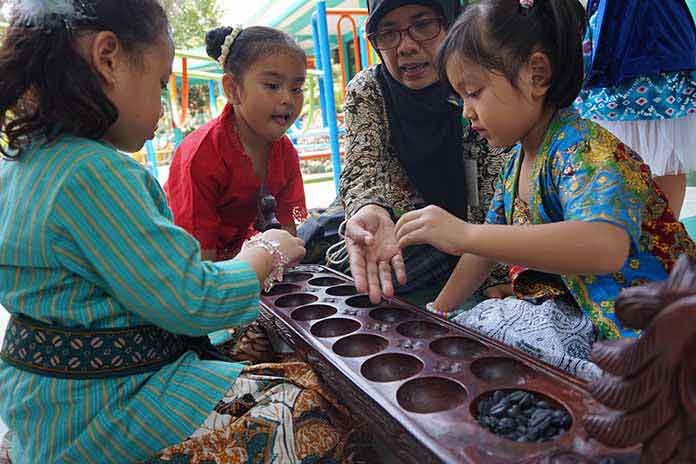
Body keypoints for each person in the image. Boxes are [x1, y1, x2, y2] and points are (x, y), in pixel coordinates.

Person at [0, 2, 370, 463]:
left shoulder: (20, 164)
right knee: (312, 406)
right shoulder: (95, 174)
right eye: (158, 84)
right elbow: (191, 299)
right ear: (108, 58)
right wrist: (263, 256)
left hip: (51, 399)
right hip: (107, 406)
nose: (161, 106)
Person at [394, 0, 696, 380]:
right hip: (596, 321)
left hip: (656, 330)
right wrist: (436, 316)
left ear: (536, 74)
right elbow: (478, 254)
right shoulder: (517, 163)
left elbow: (606, 247)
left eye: (473, 92)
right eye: (461, 98)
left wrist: (464, 232)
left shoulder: (582, 148)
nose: (466, 112)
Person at [339, 0, 512, 307]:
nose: (405, 47)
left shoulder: (482, 83)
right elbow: (362, 167)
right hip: (413, 238)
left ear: (452, 24)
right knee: (357, 274)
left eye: (423, 25)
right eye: (388, 33)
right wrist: (369, 208)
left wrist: (496, 271)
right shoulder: (368, 90)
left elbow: (504, 187)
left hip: (488, 239)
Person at [165, 25, 308, 262]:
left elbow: (290, 225)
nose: (288, 99)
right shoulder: (202, 154)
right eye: (272, 86)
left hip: (236, 260)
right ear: (233, 89)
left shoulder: (285, 152)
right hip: (181, 264)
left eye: (297, 88)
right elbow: (197, 259)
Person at [575, 0, 696, 217]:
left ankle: (666, 236)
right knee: (611, 158)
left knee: (667, 159)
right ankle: (631, 236)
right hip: (616, 31)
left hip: (654, 29)